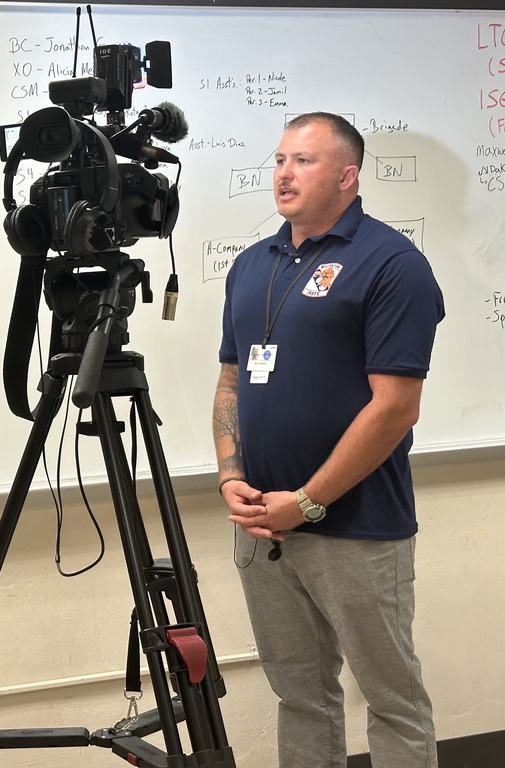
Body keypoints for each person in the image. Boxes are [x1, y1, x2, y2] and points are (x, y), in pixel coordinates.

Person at [212, 112, 443, 768]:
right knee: (302, 697)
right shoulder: (252, 265)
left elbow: (396, 408)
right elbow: (231, 381)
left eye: (304, 161)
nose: (284, 172)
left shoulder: (392, 264)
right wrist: (232, 478)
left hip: (356, 528)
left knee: (392, 699)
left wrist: (308, 500)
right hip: (263, 527)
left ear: (348, 175)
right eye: (280, 159)